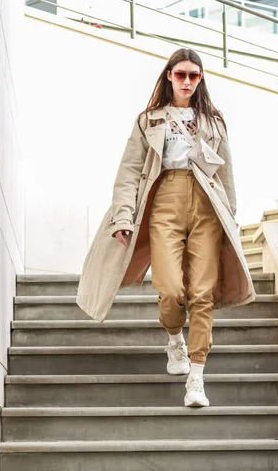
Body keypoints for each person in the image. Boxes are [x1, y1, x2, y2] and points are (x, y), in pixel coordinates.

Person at [76, 48, 255, 407]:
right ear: (169, 76)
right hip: (163, 203)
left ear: (200, 79)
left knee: (202, 293)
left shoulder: (214, 121)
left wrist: (230, 216)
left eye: (194, 75)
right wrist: (124, 217)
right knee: (172, 288)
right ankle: (175, 340)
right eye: (181, 75)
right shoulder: (149, 120)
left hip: (207, 206)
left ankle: (196, 379)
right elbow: (129, 172)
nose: (187, 81)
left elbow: (226, 174)